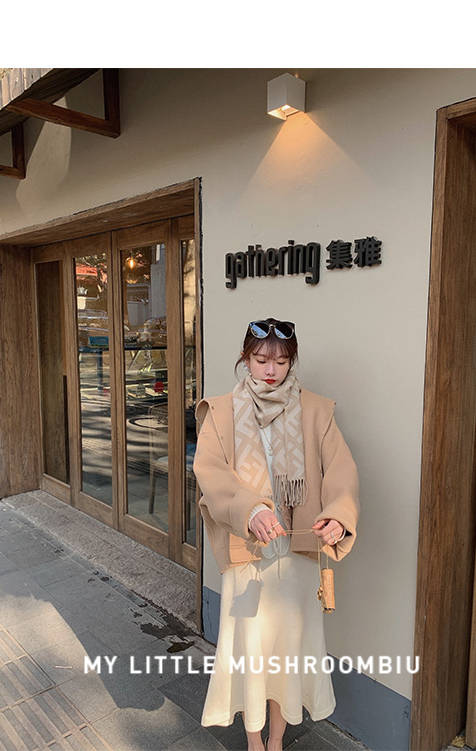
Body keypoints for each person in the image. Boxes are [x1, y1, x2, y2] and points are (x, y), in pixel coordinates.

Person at [193, 318, 360, 751]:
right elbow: (210, 473)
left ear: (292, 362)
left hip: (298, 556)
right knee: (251, 653)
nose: (271, 370)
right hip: (249, 554)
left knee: (288, 654)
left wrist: (338, 514)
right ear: (245, 358)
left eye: (281, 361)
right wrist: (249, 510)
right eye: (261, 359)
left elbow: (340, 470)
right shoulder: (222, 412)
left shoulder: (315, 410)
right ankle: (254, 742)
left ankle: (278, 739)